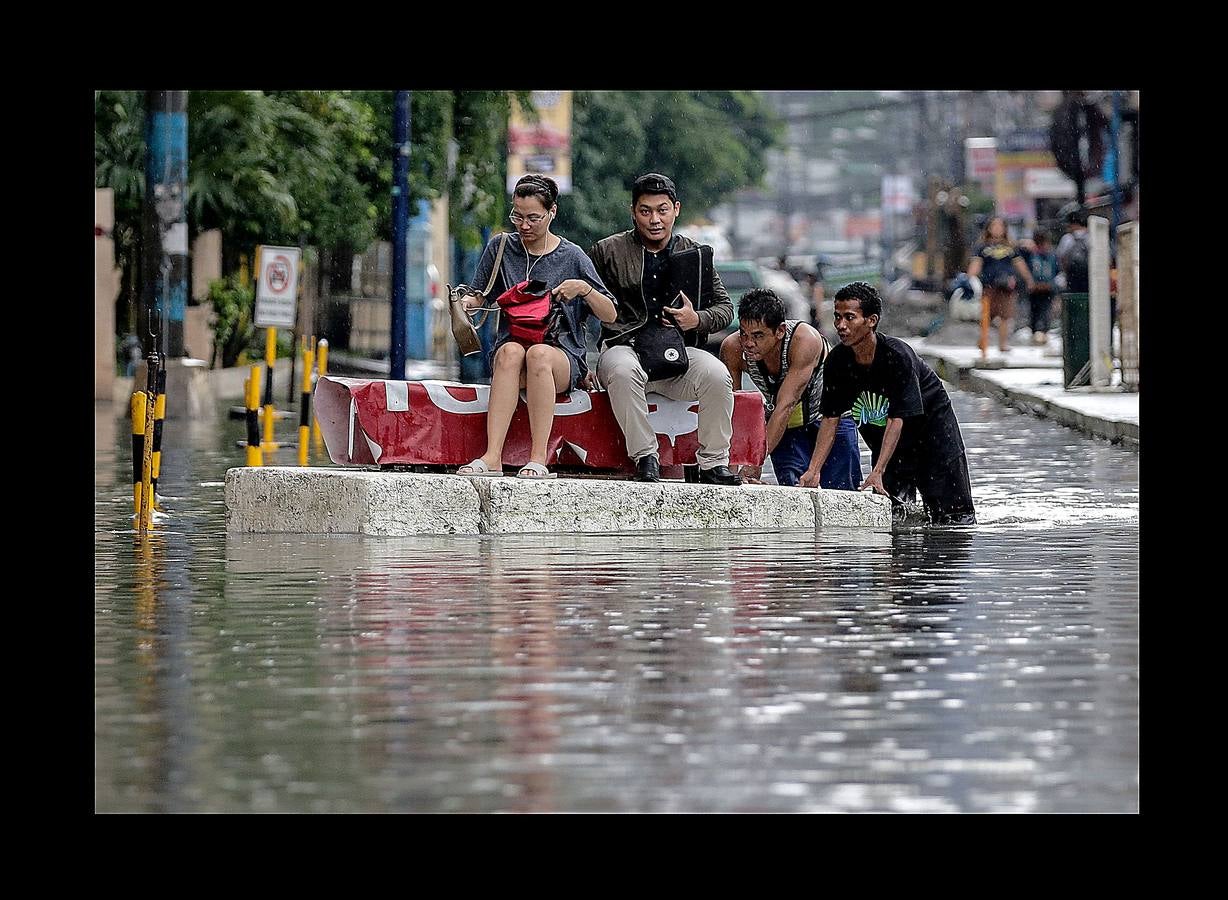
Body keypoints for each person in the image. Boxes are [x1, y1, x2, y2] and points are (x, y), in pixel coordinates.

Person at [457, 174, 617, 479]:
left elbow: (610, 313)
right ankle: (492, 457)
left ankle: (538, 458)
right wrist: (466, 304)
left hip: (560, 357)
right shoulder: (501, 247)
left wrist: (584, 289)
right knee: (509, 353)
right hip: (514, 346)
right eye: (518, 216)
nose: (524, 225)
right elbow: (480, 294)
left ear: (552, 212)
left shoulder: (572, 256)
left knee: (539, 355)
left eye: (533, 218)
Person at [588, 173, 740, 485]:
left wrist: (695, 319)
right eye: (645, 211)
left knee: (716, 374)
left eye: (662, 210)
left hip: (679, 356)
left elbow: (725, 309)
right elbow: (578, 308)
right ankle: (646, 457)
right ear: (633, 212)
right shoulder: (607, 251)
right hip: (625, 348)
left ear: (676, 209)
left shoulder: (695, 254)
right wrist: (581, 363)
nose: (654, 219)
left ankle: (713, 463)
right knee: (620, 369)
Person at [800, 282, 976, 526]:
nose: (841, 325)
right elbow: (831, 418)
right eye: (837, 317)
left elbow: (897, 418)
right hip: (888, 445)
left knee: (953, 521)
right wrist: (814, 469)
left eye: (850, 318)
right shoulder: (837, 362)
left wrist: (879, 469)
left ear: (871, 320)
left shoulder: (897, 356)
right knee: (896, 518)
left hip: (932, 436)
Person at [718, 287, 861, 488]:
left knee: (843, 493)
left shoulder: (804, 340)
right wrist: (734, 465)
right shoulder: (732, 347)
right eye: (744, 334)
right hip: (787, 424)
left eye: (758, 336)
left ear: (780, 331)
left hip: (830, 418)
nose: (749, 343)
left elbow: (786, 404)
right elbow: (736, 409)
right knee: (793, 489)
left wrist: (756, 459)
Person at [966, 216, 1035, 353]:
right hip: (988, 285)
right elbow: (976, 265)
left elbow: (1019, 264)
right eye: (994, 226)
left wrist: (1029, 279)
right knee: (986, 315)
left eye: (1000, 226)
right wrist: (969, 280)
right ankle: (983, 340)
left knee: (1005, 316)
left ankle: (1003, 344)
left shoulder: (1010, 247)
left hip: (1006, 286)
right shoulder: (982, 247)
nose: (997, 229)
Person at [1021, 228, 1059, 344]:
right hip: (1034, 288)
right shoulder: (1030, 253)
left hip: (1047, 288)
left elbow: (1056, 270)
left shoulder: (1051, 254)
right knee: (1034, 310)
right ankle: (1036, 331)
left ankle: (1043, 331)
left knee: (1045, 310)